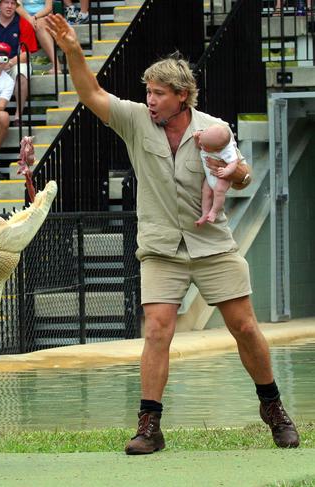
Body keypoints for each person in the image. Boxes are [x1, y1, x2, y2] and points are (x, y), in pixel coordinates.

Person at [45, 14, 299, 453]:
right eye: (148, 92)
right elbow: (90, 92)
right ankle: (149, 426)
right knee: (158, 329)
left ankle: (272, 407)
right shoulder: (135, 120)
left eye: (158, 93)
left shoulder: (212, 128)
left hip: (213, 243)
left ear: (182, 97)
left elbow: (242, 175)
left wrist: (234, 171)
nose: (150, 100)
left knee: (244, 326)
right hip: (161, 247)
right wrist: (72, 50)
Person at [0, 0, 38, 124]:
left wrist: (10, 63)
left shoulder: (23, 24)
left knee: (21, 73)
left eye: (13, 3)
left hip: (15, 62)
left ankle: (18, 116)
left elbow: (28, 52)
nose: (9, 6)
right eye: (6, 3)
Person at [193, 124, 239, 226]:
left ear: (218, 150)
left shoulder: (227, 150)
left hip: (221, 176)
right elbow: (198, 145)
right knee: (206, 192)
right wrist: (197, 138)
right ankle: (205, 213)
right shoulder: (206, 138)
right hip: (210, 174)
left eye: (204, 146)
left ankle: (214, 211)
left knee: (219, 191)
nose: (201, 145)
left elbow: (234, 162)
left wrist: (227, 171)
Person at [16, 0, 58, 73]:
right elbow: (17, 6)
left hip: (44, 17)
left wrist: (35, 17)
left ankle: (56, 65)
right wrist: (29, 18)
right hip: (24, 17)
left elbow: (48, 7)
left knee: (40, 24)